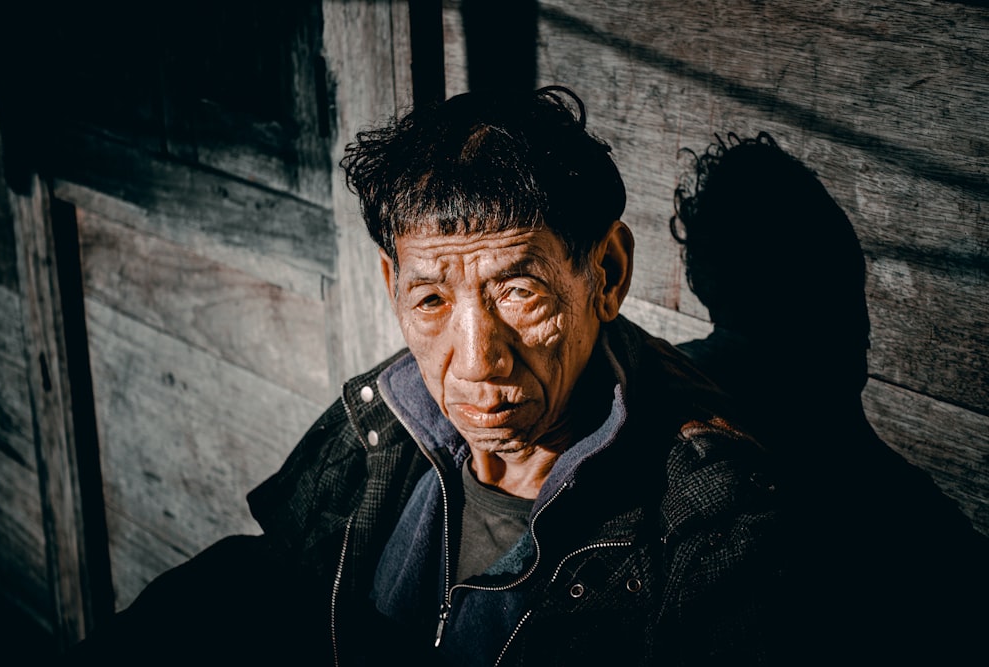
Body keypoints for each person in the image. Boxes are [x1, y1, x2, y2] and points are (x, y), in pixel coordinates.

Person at [63, 87, 784, 666]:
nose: (474, 362)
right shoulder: (387, 412)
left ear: (607, 274)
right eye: (433, 298)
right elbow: (274, 582)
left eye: (518, 291)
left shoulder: (710, 522)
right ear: (393, 283)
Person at [671, 132, 989, 664]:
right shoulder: (917, 533)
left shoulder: (661, 388)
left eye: (849, 284)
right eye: (833, 287)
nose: (860, 324)